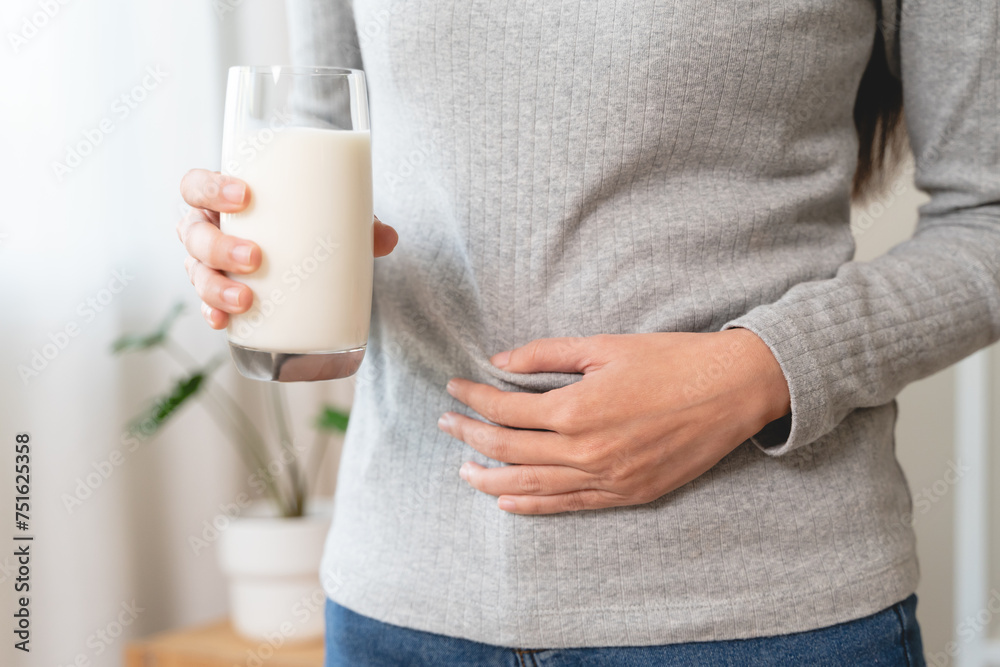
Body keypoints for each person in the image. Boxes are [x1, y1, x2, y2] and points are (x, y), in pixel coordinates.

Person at [176, 0, 998, 664]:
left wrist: (763, 370)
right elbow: (321, 154)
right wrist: (259, 270)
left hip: (761, 617)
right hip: (403, 608)